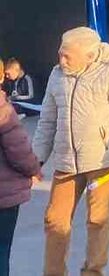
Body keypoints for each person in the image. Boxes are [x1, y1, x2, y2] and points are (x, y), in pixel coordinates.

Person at [32, 27, 109, 275]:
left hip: (103, 160)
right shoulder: (56, 74)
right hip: (66, 161)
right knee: (54, 221)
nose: (61, 61)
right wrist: (35, 160)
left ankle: (93, 271)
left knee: (98, 221)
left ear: (90, 56)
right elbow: (47, 119)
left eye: (67, 56)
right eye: (60, 54)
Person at [0, 82, 39, 275]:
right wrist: (34, 169)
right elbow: (19, 151)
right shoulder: (2, 110)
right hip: (4, 198)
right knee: (1, 250)